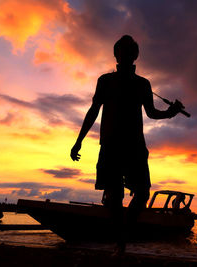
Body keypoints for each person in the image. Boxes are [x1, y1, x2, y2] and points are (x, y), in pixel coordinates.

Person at [70, 35, 183, 253]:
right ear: (116, 54)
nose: (126, 54)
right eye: (122, 50)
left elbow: (151, 113)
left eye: (130, 50)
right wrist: (78, 141)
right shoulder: (105, 81)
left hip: (135, 146)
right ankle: (120, 244)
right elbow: (93, 111)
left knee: (142, 194)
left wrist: (171, 112)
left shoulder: (143, 84)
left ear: (135, 55)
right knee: (114, 195)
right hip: (111, 144)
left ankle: (122, 236)